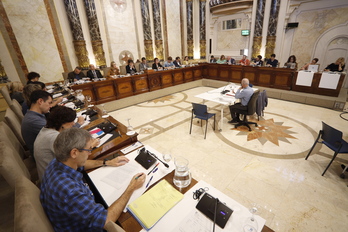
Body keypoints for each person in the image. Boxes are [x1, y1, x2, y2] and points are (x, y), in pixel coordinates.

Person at [40, 127, 145, 231]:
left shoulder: (57, 162)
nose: (90, 153)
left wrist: (107, 162)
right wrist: (131, 188)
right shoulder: (68, 190)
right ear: (74, 153)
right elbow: (105, 221)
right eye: (88, 150)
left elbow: (82, 164)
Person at [34, 106, 96, 181]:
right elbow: (75, 158)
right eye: (71, 122)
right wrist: (90, 146)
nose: (74, 124)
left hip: (51, 173)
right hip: (54, 179)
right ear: (62, 124)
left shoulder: (47, 129)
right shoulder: (54, 137)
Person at [21, 90, 53, 155]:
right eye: (49, 103)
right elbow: (59, 136)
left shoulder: (33, 115)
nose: (50, 106)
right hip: (45, 155)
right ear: (40, 101)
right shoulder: (34, 120)